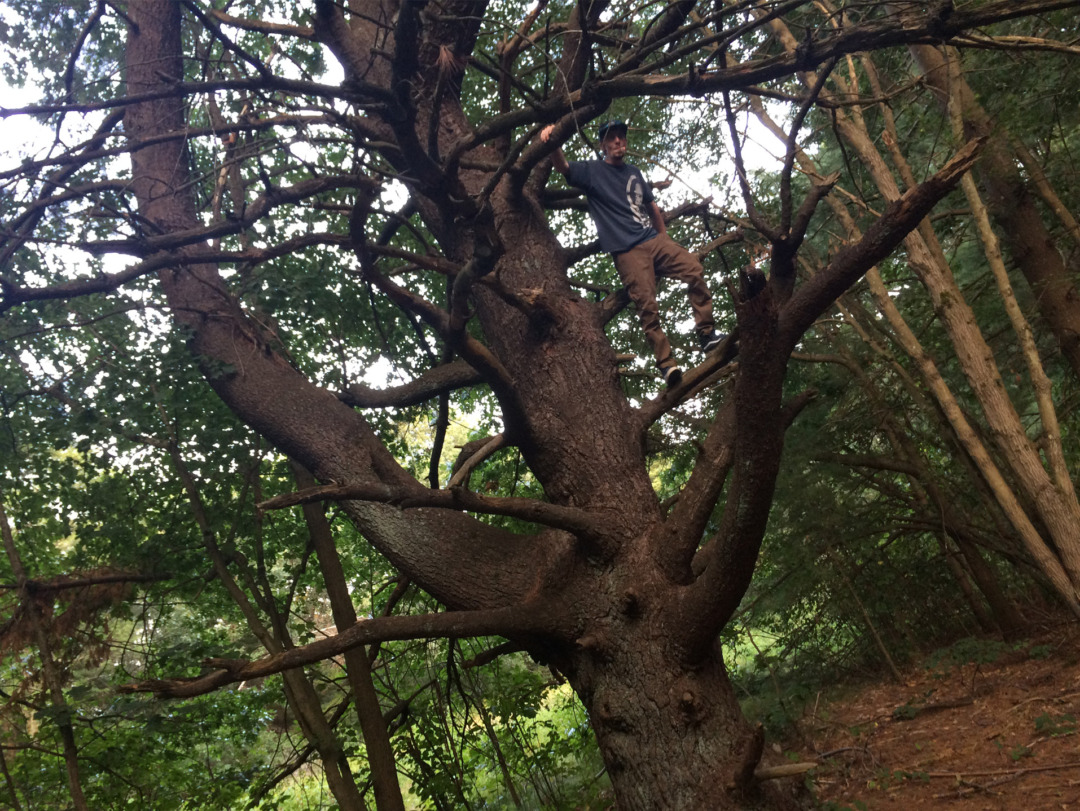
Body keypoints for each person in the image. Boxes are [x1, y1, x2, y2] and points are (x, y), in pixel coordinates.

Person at [540, 120, 724, 388]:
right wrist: (552, 141)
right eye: (611, 138)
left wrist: (663, 239)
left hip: (652, 239)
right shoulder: (593, 171)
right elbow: (564, 167)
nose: (618, 141)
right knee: (647, 306)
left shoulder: (634, 172)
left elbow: (652, 207)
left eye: (621, 137)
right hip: (627, 251)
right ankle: (667, 364)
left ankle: (707, 334)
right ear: (603, 145)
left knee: (693, 268)